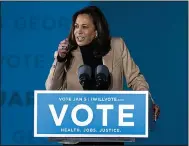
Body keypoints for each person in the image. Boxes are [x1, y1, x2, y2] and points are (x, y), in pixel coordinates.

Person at [45, 5, 160, 146]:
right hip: (77, 135)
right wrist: (61, 59)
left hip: (110, 131)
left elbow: (135, 77)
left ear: (96, 31)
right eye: (76, 26)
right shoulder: (67, 52)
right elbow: (51, 89)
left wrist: (146, 100)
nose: (78, 32)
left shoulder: (117, 46)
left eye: (84, 27)